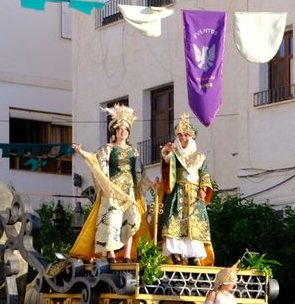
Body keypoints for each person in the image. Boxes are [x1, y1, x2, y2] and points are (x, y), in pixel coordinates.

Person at [70, 104, 142, 262]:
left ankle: (127, 254)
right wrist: (82, 152)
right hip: (112, 189)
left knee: (131, 219)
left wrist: (150, 185)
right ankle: (110, 254)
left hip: (129, 190)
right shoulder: (108, 149)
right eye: (119, 129)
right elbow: (95, 161)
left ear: (128, 133)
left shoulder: (134, 152)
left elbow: (139, 173)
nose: (122, 131)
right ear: (115, 132)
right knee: (111, 220)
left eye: (125, 129)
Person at [157, 115, 215, 265]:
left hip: (194, 195)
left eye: (186, 135)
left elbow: (204, 174)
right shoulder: (174, 153)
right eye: (180, 135)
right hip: (178, 193)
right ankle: (175, 253)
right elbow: (167, 162)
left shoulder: (199, 157)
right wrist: (166, 152)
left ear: (191, 137)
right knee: (174, 222)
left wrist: (203, 188)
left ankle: (193, 256)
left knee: (194, 224)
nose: (183, 138)